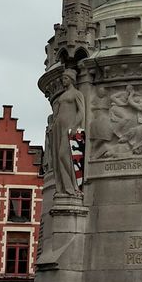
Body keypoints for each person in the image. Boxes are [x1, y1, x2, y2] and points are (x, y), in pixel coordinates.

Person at [50, 69, 86, 197]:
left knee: (63, 155)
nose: (62, 80)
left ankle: (74, 186)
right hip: (59, 128)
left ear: (71, 79)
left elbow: (81, 112)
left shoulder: (76, 94)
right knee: (59, 157)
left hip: (69, 129)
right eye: (63, 78)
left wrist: (74, 126)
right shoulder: (62, 96)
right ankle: (64, 186)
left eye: (65, 78)